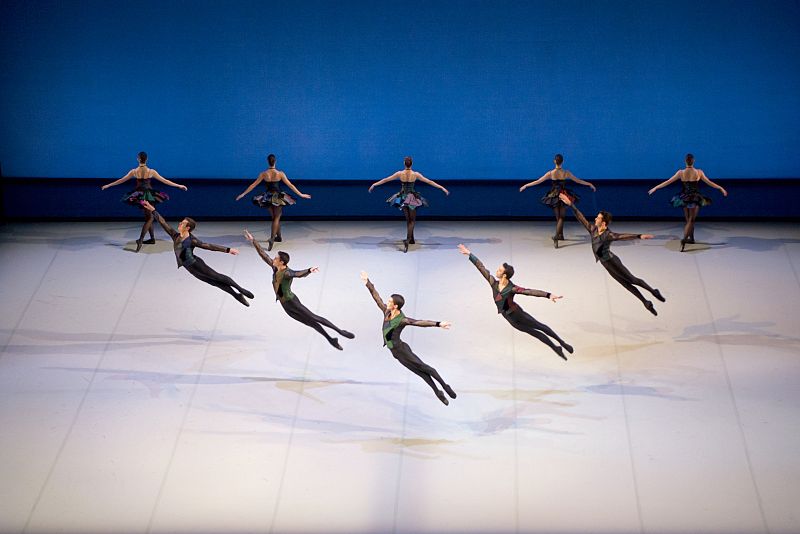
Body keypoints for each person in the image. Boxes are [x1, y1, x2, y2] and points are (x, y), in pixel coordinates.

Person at [457, 244, 572, 360]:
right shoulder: (493, 283)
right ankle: (556, 348)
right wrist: (469, 254)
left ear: (504, 275)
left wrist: (548, 295)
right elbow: (481, 268)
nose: (496, 271)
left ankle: (562, 343)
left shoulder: (512, 288)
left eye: (499, 270)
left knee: (540, 326)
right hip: (509, 318)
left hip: (518, 314)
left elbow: (530, 292)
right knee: (535, 333)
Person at [244, 229, 354, 350]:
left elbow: (298, 274)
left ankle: (340, 331)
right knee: (311, 323)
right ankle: (331, 340)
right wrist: (253, 241)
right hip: (285, 305)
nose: (273, 259)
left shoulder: (286, 273)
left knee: (314, 318)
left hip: (292, 302)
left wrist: (308, 270)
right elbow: (263, 254)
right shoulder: (275, 268)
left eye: (276, 258)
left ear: (281, 262)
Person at [559, 193, 665, 316]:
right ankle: (645, 302)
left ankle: (653, 291)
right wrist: (571, 205)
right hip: (605, 264)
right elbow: (580, 217)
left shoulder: (608, 235)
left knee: (632, 280)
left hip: (612, 261)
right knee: (625, 284)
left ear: (603, 223)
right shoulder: (592, 229)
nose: (595, 219)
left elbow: (621, 236)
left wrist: (639, 236)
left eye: (598, 218)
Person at [360, 271, 456, 405]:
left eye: (390, 302)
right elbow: (377, 298)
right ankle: (437, 391)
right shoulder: (387, 312)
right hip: (396, 353)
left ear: (396, 306)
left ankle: (445, 386)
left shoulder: (402, 320)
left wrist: (438, 324)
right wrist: (367, 283)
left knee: (426, 368)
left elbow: (418, 322)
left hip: (402, 350)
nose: (387, 303)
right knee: (421, 374)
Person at [140, 201, 253, 306]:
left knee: (217, 277)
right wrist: (153, 209)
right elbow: (162, 222)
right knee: (214, 283)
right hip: (189, 268)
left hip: (196, 264)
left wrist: (227, 250)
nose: (179, 223)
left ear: (187, 228)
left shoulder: (192, 240)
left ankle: (240, 289)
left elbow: (209, 246)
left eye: (182, 223)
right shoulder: (175, 235)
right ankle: (236, 295)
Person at [101, 152, 188, 252]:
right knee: (150, 217)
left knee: (149, 217)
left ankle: (150, 239)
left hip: (139, 195)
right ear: (147, 159)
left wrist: (108, 185)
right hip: (149, 195)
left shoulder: (134, 171)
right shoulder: (151, 171)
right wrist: (178, 185)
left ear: (138, 159)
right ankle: (142, 239)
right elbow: (165, 181)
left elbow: (121, 180)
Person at [648, 153, 728, 251]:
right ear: (693, 161)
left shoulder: (681, 172)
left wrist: (655, 188)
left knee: (688, 221)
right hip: (695, 197)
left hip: (684, 197)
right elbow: (709, 183)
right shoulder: (699, 172)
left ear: (685, 161)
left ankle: (692, 239)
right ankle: (684, 240)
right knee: (691, 220)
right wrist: (720, 188)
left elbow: (667, 182)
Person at [368, 156, 449, 252]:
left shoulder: (399, 173)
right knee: (412, 221)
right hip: (412, 198)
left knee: (408, 220)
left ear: (404, 163)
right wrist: (442, 188)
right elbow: (429, 182)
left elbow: (386, 179)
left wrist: (374, 184)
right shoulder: (415, 174)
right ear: (412, 164)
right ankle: (408, 240)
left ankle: (412, 239)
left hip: (403, 197)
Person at [235, 154, 311, 250]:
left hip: (267, 197)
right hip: (277, 197)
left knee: (274, 218)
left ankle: (278, 237)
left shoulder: (264, 174)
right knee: (277, 218)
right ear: (275, 161)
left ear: (268, 162)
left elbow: (253, 185)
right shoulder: (280, 173)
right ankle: (272, 238)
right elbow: (290, 185)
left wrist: (243, 194)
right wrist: (301, 194)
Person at [519, 154, 596, 248]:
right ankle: (558, 236)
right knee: (561, 217)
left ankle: (559, 236)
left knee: (558, 217)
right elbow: (578, 181)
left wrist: (526, 185)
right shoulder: (566, 173)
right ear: (562, 162)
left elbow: (538, 181)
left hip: (554, 195)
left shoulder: (551, 173)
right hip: (564, 195)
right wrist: (590, 184)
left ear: (554, 161)